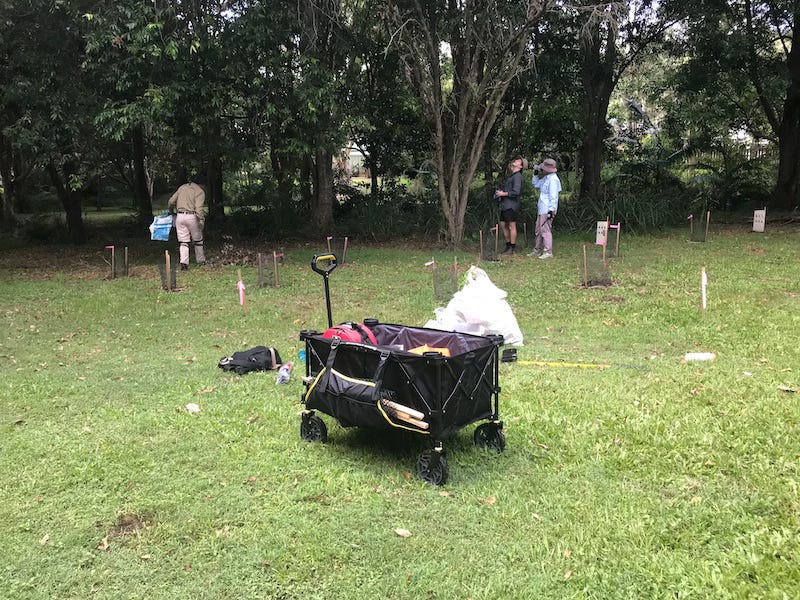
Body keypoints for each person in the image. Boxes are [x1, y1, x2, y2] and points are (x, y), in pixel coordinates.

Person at [168, 174, 207, 270]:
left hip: (180, 216)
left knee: (183, 241)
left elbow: (171, 201)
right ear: (202, 184)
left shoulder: (182, 187)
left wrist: (171, 211)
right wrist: (201, 220)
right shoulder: (200, 191)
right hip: (192, 216)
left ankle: (184, 264)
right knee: (198, 239)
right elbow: (199, 208)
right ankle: (200, 260)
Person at [529, 158, 561, 259]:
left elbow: (553, 196)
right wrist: (535, 174)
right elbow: (536, 184)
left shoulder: (553, 179)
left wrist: (551, 210)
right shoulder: (546, 178)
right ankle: (537, 249)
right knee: (538, 229)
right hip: (541, 208)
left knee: (545, 230)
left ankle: (548, 251)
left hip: (547, 209)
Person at [494, 157, 523, 255]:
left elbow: (516, 192)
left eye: (518, 161)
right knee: (503, 224)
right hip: (505, 204)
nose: (515, 160)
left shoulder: (517, 176)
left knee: (511, 225)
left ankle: (512, 247)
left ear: (520, 166)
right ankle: (508, 245)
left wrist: (503, 194)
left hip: (512, 205)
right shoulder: (512, 175)